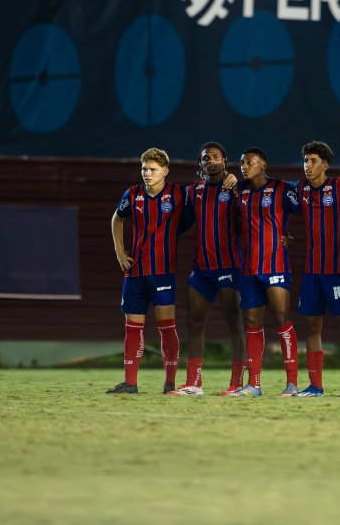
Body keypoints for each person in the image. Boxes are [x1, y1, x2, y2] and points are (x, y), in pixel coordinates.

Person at [107, 148, 192, 394]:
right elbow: (117, 218)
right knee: (132, 327)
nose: (147, 173)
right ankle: (130, 383)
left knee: (167, 327)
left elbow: (198, 208)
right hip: (134, 273)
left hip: (163, 272)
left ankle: (170, 384)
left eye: (153, 169)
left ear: (165, 171)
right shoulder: (132, 194)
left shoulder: (178, 193)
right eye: (144, 169)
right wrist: (120, 252)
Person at [168, 142, 246, 397]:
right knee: (194, 322)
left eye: (216, 157)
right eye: (205, 158)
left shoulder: (236, 189)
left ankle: (236, 383)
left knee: (235, 322)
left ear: (225, 161)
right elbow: (181, 222)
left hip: (229, 266)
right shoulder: (194, 192)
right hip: (201, 268)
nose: (211, 161)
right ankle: (194, 383)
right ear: (200, 164)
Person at [289, 141, 340, 397]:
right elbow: (272, 196)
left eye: (313, 161)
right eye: (306, 161)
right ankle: (315, 386)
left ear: (326, 164)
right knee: (311, 326)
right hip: (312, 271)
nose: (308, 166)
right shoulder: (299, 189)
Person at [230, 148, 302, 397]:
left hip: (276, 266)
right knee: (251, 323)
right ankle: (254, 384)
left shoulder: (282, 189)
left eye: (249, 162)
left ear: (263, 164)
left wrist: (290, 236)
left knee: (282, 319)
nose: (244, 166)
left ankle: (292, 383)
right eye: (241, 162)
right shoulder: (240, 191)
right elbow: (237, 224)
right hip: (249, 268)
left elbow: (309, 208)